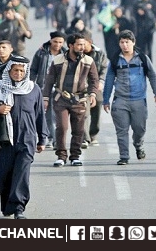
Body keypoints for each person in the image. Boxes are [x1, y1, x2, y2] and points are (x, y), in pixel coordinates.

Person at [0, 56, 49, 219]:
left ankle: (18, 208)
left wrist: (42, 138)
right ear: (9, 71)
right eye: (15, 70)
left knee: (22, 174)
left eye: (22, 70)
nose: (19, 73)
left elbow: (40, 115)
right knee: (3, 176)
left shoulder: (33, 89)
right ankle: (8, 204)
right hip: (4, 140)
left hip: (26, 139)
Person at [104, 30, 156, 165]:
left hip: (138, 100)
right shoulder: (115, 60)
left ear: (133, 42)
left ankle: (138, 145)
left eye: (127, 42)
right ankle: (124, 156)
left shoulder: (142, 58)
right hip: (120, 100)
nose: (124, 45)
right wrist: (106, 100)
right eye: (122, 42)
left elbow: (152, 76)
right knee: (121, 131)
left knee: (139, 129)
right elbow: (109, 80)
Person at [42, 33, 99, 167]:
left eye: (83, 45)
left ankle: (75, 156)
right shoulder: (58, 60)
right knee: (62, 127)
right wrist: (45, 98)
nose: (82, 47)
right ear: (71, 45)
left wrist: (92, 94)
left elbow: (94, 80)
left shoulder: (88, 61)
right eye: (79, 45)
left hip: (79, 99)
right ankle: (61, 156)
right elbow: (49, 80)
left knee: (78, 130)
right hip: (61, 98)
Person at [29, 31, 68, 149]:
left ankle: (58, 139)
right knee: (48, 115)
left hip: (61, 90)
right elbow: (33, 70)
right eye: (55, 41)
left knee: (59, 116)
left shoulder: (66, 54)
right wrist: (30, 84)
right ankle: (51, 138)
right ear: (50, 41)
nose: (57, 44)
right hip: (44, 88)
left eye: (60, 42)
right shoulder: (41, 53)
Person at [83, 34, 108, 148]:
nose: (82, 46)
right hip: (81, 86)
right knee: (83, 110)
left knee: (97, 103)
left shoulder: (99, 53)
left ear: (90, 42)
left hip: (95, 84)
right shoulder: (77, 53)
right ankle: (85, 137)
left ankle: (93, 134)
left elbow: (103, 69)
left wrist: (101, 82)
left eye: (85, 44)